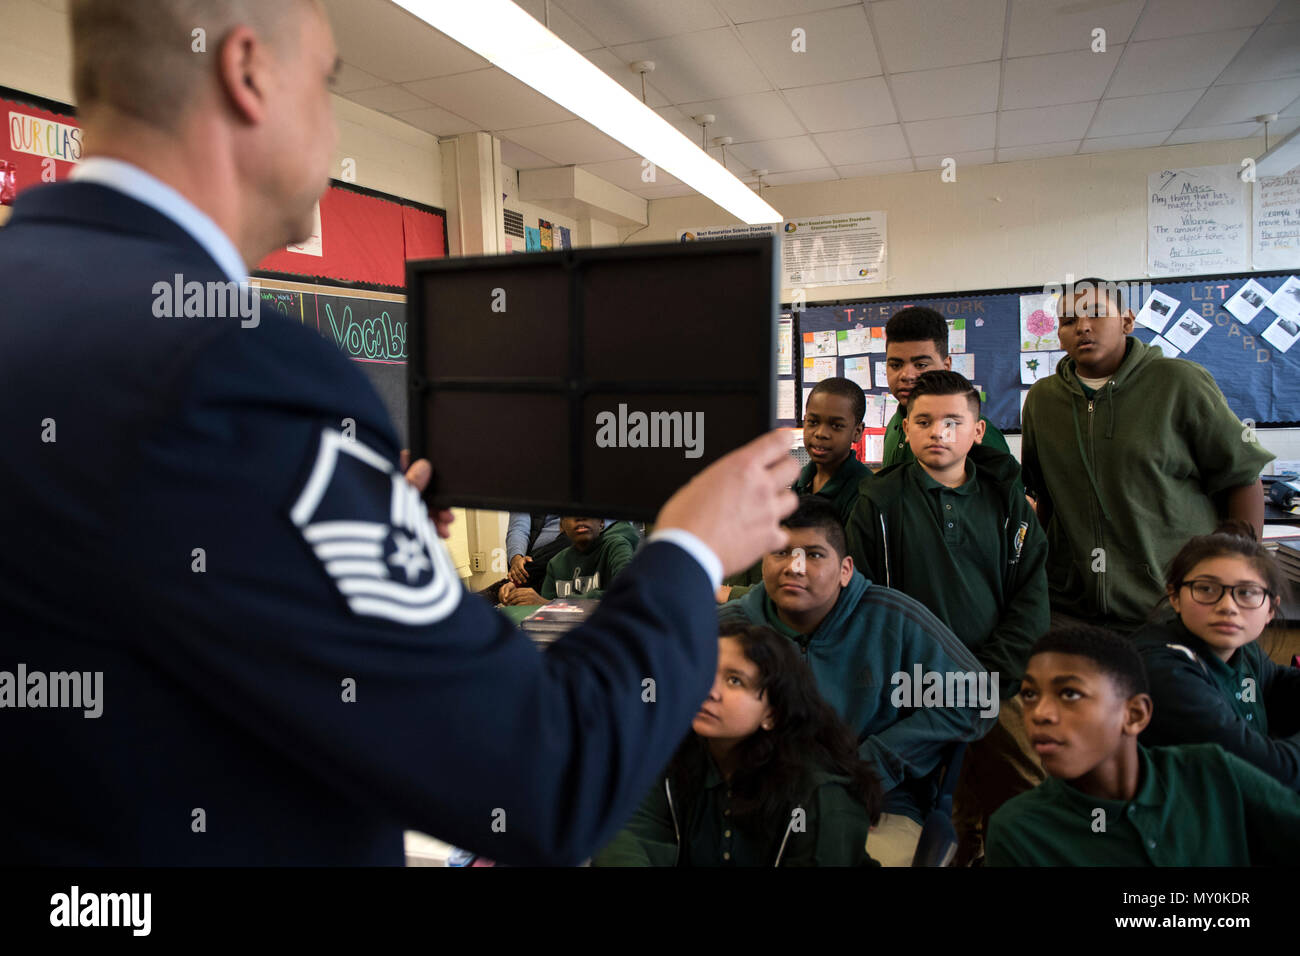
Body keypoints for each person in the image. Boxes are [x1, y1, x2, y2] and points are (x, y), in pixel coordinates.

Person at [0, 0, 801, 866]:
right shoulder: (241, 368)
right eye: (327, 82)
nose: (334, 126)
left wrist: (350, 550)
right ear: (248, 71)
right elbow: (543, 771)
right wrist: (690, 548)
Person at [725, 495, 995, 866]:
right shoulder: (728, 628)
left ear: (845, 569)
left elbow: (978, 695)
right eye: (780, 553)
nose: (794, 567)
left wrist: (878, 762)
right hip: (751, 806)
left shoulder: (892, 620)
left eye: (814, 555)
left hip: (879, 806)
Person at [847, 369, 1048, 863]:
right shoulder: (877, 502)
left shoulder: (1009, 502)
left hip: (998, 681)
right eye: (924, 421)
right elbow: (862, 601)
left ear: (977, 431)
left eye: (953, 422)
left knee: (1020, 798)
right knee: (942, 817)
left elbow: (1031, 599)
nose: (939, 432)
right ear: (906, 428)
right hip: (912, 689)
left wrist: (987, 676)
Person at [1020, 278, 1274, 630]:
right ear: (1059, 336)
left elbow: (1243, 478)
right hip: (1071, 609)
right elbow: (1045, 498)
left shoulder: (1180, 382)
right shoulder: (1042, 400)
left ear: (1127, 321)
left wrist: (1239, 574)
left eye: (1096, 314)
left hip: (1171, 606)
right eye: (1068, 321)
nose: (1083, 327)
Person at [985, 625, 1300, 866]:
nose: (1040, 714)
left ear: (1134, 714)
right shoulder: (1019, 832)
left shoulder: (1210, 771)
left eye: (1069, 694)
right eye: (1029, 695)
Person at [592, 621, 883, 866]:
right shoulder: (667, 757)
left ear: (772, 713)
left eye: (734, 681)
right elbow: (625, 839)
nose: (710, 691)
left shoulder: (820, 797)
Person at [1134, 520, 1300, 790]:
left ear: (1270, 609)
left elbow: (1278, 687)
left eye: (1246, 592)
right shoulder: (1163, 671)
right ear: (1174, 597)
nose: (1228, 607)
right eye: (1206, 589)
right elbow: (1275, 772)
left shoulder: (1241, 648)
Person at [718, 377, 869, 603]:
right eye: (813, 422)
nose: (821, 433)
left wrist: (731, 594)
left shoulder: (864, 495)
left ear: (857, 432)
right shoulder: (801, 482)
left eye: (836, 426)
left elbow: (841, 583)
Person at [880, 307, 1009, 467]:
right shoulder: (896, 421)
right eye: (895, 365)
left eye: (921, 365)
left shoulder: (969, 432)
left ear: (946, 366)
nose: (906, 375)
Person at [499, 517, 639, 605]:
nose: (580, 518)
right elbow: (546, 613)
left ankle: (515, 582)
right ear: (561, 527)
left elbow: (627, 593)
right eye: (571, 514)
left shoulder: (616, 546)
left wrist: (550, 604)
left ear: (602, 523)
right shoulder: (556, 563)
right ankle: (516, 583)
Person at [477, 512, 568, 603]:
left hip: (565, 545)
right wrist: (517, 562)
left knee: (568, 539)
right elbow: (518, 528)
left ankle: (510, 584)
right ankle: (519, 579)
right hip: (535, 556)